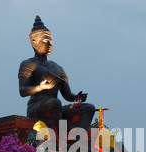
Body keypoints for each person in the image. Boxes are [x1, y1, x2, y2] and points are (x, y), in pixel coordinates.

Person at [18, 16, 96, 144]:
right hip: (37, 107)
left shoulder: (57, 67)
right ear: (34, 41)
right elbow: (22, 91)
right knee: (54, 102)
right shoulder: (29, 64)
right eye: (45, 41)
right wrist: (40, 87)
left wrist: (77, 97)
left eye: (51, 42)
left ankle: (76, 142)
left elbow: (67, 95)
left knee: (88, 108)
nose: (49, 45)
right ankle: (61, 142)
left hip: (56, 108)